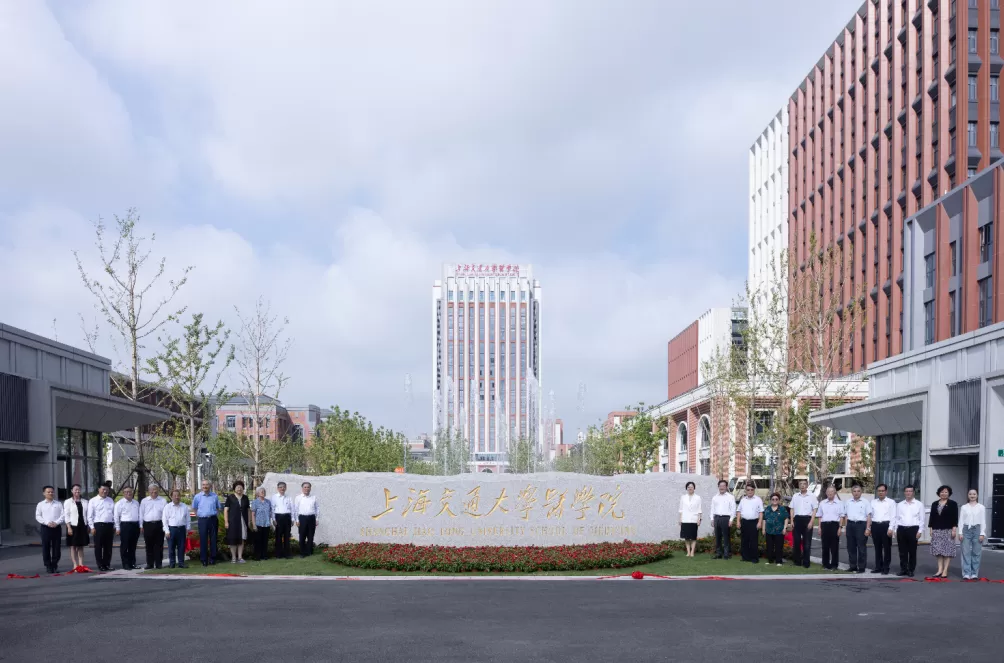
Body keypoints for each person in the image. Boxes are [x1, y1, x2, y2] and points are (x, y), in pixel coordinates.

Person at [890, 484, 924, 577]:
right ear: (904, 492)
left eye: (910, 491)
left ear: (913, 493)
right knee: (902, 551)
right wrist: (896, 530)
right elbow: (897, 518)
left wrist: (920, 531)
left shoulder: (919, 504)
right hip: (901, 529)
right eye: (907, 491)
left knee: (912, 551)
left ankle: (911, 570)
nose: (908, 493)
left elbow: (922, 519)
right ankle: (903, 569)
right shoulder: (900, 504)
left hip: (913, 529)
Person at [927, 485, 959, 579]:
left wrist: (954, 529)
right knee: (938, 551)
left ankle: (945, 570)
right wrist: (931, 528)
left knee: (947, 551)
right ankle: (939, 569)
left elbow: (955, 517)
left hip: (948, 529)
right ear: (939, 493)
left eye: (946, 492)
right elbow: (932, 517)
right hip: (937, 529)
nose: (943, 493)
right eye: (942, 492)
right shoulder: (934, 504)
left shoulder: (953, 504)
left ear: (949, 493)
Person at [866, 483, 895, 574]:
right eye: (879, 491)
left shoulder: (891, 502)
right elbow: (870, 516)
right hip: (875, 526)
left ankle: (886, 567)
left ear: (886, 491)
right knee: (877, 548)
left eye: (882, 491)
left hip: (886, 525)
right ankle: (878, 566)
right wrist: (869, 528)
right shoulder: (873, 502)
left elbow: (893, 516)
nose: (881, 492)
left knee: (887, 548)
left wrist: (891, 528)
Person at [958, 489, 987, 580]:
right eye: (970, 494)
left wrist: (982, 533)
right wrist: (960, 532)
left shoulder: (981, 507)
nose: (972, 495)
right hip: (966, 529)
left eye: (974, 494)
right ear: (968, 495)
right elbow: (961, 520)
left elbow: (983, 521)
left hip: (977, 529)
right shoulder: (964, 507)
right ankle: (966, 573)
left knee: (976, 552)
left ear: (977, 495)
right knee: (965, 552)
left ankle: (974, 573)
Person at [789, 479, 818, 569]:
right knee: (796, 542)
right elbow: (792, 508)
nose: (802, 486)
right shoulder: (795, 496)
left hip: (807, 519)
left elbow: (815, 509)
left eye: (804, 484)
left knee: (807, 543)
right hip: (797, 519)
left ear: (807, 485)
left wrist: (811, 521)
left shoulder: (812, 496)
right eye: (800, 484)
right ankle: (797, 561)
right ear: (798, 485)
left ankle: (806, 562)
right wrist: (792, 521)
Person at [35, 485, 64, 573]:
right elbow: (38, 516)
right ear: (44, 493)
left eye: (52, 492)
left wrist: (56, 522)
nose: (51, 493)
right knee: (46, 547)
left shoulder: (58, 504)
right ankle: (48, 565)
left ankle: (54, 564)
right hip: (45, 528)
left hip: (56, 527)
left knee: (56, 547)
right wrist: (47, 522)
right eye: (48, 492)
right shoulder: (40, 504)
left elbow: (63, 515)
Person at [816, 484, 845, 571]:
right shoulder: (822, 503)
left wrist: (840, 527)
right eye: (828, 492)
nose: (830, 493)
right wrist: (819, 527)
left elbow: (841, 516)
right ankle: (825, 564)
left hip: (834, 525)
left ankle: (834, 565)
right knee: (825, 546)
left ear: (835, 492)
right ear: (826, 493)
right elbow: (820, 516)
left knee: (834, 547)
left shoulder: (840, 503)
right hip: (825, 525)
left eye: (832, 492)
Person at [87, 484, 116, 571]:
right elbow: (90, 516)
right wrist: (92, 527)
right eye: (103, 489)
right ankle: (100, 565)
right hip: (98, 525)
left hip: (109, 525)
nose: (105, 491)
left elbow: (114, 514)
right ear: (99, 489)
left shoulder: (110, 500)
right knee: (99, 546)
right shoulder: (93, 501)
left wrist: (114, 525)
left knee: (108, 547)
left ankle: (107, 564)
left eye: (107, 490)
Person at [192, 480, 220, 567]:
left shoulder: (214, 496)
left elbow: (218, 508)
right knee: (203, 540)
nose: (205, 486)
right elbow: (194, 508)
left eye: (206, 484)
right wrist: (199, 516)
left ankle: (213, 558)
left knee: (213, 539)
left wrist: (215, 515)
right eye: (203, 484)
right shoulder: (197, 497)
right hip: (202, 520)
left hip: (212, 519)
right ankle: (204, 559)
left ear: (210, 485)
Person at [139, 485, 167, 570]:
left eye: (155, 490)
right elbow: (141, 514)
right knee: (149, 545)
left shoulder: (163, 500)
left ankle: (159, 563)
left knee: (159, 545)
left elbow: (165, 514)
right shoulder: (144, 501)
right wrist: (141, 525)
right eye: (151, 490)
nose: (153, 492)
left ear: (158, 491)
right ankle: (150, 564)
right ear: (148, 491)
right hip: (148, 525)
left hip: (159, 524)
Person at [63, 483, 89, 570]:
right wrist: (69, 527)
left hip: (83, 525)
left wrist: (88, 525)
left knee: (81, 546)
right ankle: (75, 564)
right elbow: (66, 515)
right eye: (75, 489)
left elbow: (88, 514)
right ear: (72, 491)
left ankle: (81, 564)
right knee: (73, 545)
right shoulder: (68, 502)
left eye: (78, 489)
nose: (77, 491)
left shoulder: (85, 502)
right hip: (73, 526)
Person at [844, 483, 869, 573]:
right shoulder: (848, 502)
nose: (856, 493)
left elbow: (868, 516)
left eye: (858, 491)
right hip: (850, 524)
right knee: (851, 547)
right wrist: (846, 527)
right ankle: (853, 566)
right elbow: (846, 515)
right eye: (854, 491)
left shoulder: (865, 502)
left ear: (861, 492)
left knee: (861, 547)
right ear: (852, 492)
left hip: (861, 525)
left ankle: (861, 567)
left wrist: (868, 528)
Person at [114, 486, 141, 570]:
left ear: (132, 493)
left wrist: (140, 526)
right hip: (125, 525)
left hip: (135, 525)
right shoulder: (119, 503)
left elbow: (139, 515)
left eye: (130, 492)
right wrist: (117, 528)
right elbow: (116, 517)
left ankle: (132, 563)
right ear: (123, 493)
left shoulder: (136, 503)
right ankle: (125, 564)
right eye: (126, 492)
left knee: (133, 546)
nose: (128, 493)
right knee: (125, 546)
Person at [161, 489, 190, 569]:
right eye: (175, 496)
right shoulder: (167, 507)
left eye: (178, 495)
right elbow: (164, 520)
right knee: (171, 548)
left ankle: (181, 563)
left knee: (181, 547)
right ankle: (172, 563)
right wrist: (166, 531)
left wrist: (188, 528)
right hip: (171, 529)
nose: (177, 497)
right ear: (171, 497)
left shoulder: (184, 506)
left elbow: (188, 519)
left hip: (181, 529)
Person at [735, 484, 763, 563]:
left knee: (753, 541)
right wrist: (738, 521)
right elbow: (739, 511)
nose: (750, 491)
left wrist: (760, 522)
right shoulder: (743, 500)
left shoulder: (758, 499)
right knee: (744, 540)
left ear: (754, 490)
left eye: (751, 489)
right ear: (746, 491)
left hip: (754, 522)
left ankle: (754, 558)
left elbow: (761, 512)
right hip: (744, 522)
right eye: (748, 490)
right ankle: (745, 557)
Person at [224, 480, 250, 564]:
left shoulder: (245, 497)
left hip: (243, 521)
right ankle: (233, 558)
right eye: (237, 487)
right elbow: (225, 510)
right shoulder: (230, 497)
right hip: (233, 522)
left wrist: (249, 521)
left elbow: (248, 510)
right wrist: (226, 522)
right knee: (233, 539)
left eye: (241, 487)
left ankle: (240, 557)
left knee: (241, 538)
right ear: (234, 488)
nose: (239, 489)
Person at [761, 493, 790, 566]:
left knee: (778, 547)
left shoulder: (782, 509)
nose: (774, 500)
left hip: (779, 531)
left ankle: (779, 561)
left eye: (776, 499)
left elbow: (786, 518)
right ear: (770, 500)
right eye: (773, 499)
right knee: (769, 547)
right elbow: (764, 519)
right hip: (769, 531)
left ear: (779, 500)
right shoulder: (767, 509)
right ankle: (770, 560)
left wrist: (785, 528)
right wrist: (763, 529)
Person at [709, 480, 734, 560]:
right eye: (720, 486)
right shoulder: (715, 497)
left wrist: (731, 520)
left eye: (723, 486)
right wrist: (712, 519)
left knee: (726, 537)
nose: (722, 487)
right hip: (717, 518)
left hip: (726, 518)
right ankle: (719, 553)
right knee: (718, 537)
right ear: (718, 487)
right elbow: (712, 509)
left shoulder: (730, 497)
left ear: (726, 487)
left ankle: (727, 554)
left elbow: (733, 509)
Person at [294, 481, 320, 558]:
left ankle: (309, 552)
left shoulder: (314, 497)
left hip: (312, 518)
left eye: (308, 487)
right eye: (305, 487)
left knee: (311, 535)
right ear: (302, 488)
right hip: (302, 518)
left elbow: (317, 509)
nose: (306, 488)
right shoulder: (298, 498)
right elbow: (295, 510)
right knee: (302, 536)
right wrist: (297, 520)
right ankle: (302, 552)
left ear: (310, 488)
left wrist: (317, 518)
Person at [678, 481, 702, 557]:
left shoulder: (698, 497)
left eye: (691, 487)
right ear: (686, 488)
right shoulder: (683, 497)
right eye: (688, 487)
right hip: (685, 519)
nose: (690, 488)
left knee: (693, 537)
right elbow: (681, 509)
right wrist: (680, 519)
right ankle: (688, 552)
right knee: (687, 537)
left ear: (694, 488)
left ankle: (692, 552)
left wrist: (699, 519)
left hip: (694, 519)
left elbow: (699, 509)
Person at [271, 481, 294, 559]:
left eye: (284, 487)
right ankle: (278, 554)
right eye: (280, 487)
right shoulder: (274, 497)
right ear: (277, 488)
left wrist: (292, 519)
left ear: (286, 488)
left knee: (287, 536)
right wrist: (273, 519)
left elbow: (292, 509)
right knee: (278, 536)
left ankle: (287, 554)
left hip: (287, 517)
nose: (282, 488)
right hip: (278, 517)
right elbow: (272, 509)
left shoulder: (289, 497)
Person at [250, 487, 274, 561]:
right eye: (261, 491)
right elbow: (253, 514)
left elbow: (270, 513)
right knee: (257, 541)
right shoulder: (255, 502)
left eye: (264, 491)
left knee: (265, 541)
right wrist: (254, 525)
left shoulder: (268, 502)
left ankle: (264, 555)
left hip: (266, 524)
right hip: (258, 524)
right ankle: (257, 556)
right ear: (257, 493)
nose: (263, 492)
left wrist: (270, 523)